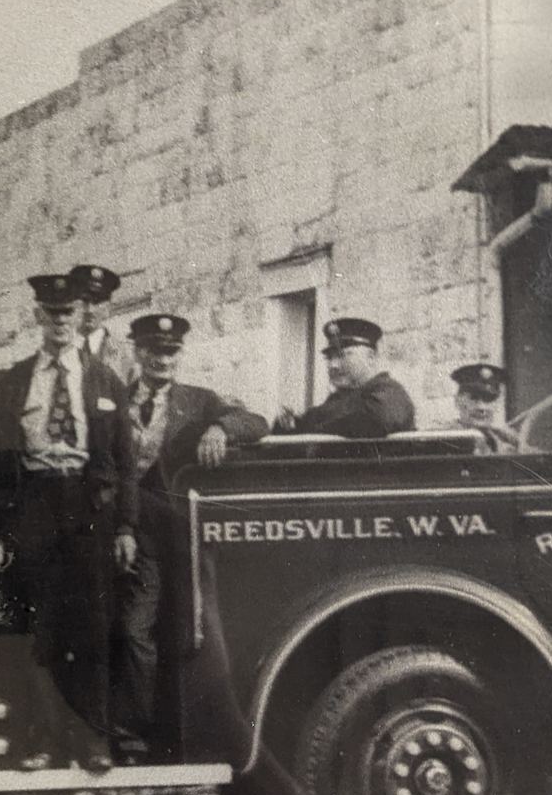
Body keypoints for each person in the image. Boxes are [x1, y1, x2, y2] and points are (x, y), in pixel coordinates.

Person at [0, 272, 135, 771]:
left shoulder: (106, 380)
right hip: (37, 504)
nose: (60, 322)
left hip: (90, 506)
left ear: (80, 316)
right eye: (51, 313)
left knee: (92, 627)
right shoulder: (14, 381)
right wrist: (9, 515)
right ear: (37, 317)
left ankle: (93, 743)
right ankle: (44, 741)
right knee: (40, 628)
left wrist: (126, 528)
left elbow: (126, 461)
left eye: (68, 313)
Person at [111, 314, 267, 759]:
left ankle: (180, 740)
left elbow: (255, 421)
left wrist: (221, 429)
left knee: (189, 635)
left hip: (180, 538)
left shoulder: (198, 402)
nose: (163, 360)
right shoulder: (112, 400)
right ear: (137, 352)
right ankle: (132, 738)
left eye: (171, 352)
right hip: (129, 534)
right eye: (153, 351)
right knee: (132, 628)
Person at [274, 318, 415, 437]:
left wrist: (311, 423)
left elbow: (378, 419)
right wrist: (289, 425)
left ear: (370, 356)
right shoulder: (337, 399)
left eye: (343, 355)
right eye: (329, 357)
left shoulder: (390, 392)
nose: (333, 365)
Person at [68, 263, 130, 381]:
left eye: (97, 302)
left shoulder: (125, 354)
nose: (90, 310)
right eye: (84, 301)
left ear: (108, 308)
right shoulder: (61, 352)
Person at [450, 363, 518, 453]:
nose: (481, 407)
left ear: (497, 404)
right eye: (473, 398)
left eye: (489, 399)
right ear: (457, 401)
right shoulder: (444, 439)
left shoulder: (508, 440)